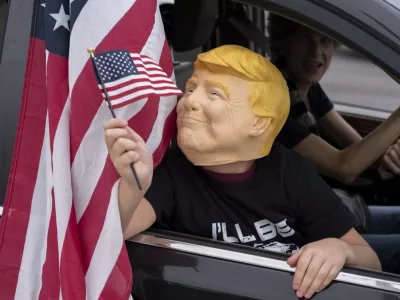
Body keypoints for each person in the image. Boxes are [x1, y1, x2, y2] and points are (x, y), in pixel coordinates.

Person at [104, 45, 380, 299]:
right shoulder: (172, 174)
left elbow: (371, 262)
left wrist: (339, 250)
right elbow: (113, 233)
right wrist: (134, 183)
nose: (188, 102)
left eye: (214, 94)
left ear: (259, 124)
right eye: (189, 89)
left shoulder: (289, 171)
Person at [267, 13, 400, 274]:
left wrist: (390, 154)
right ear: (284, 42)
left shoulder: (307, 88)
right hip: (311, 228)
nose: (317, 51)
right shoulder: (274, 99)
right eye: (305, 39)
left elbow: (358, 147)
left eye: (325, 39)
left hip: (339, 206)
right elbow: (344, 167)